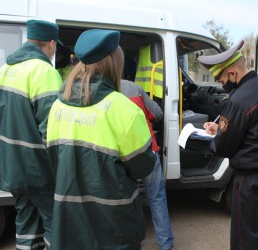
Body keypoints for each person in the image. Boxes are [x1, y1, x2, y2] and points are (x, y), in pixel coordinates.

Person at [46, 29, 156, 250]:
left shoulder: (57, 106)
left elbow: (54, 160)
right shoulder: (124, 108)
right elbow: (143, 167)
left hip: (70, 220)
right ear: (115, 63)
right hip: (114, 223)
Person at [198, 40, 258, 250]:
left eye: (221, 79)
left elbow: (223, 148)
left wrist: (214, 135)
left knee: (243, 237)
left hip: (249, 179)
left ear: (232, 74)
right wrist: (220, 125)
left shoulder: (237, 101)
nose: (221, 84)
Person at [0, 20, 62, 249]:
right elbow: (52, 130)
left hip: (12, 167)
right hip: (39, 170)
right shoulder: (44, 71)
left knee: (25, 223)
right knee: (56, 224)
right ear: (51, 43)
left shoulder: (5, 69)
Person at [121, 79, 174, 250]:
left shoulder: (97, 91)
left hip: (121, 155)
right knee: (157, 197)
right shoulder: (133, 87)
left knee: (125, 200)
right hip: (147, 149)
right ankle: (165, 244)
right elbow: (157, 113)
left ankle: (131, 242)